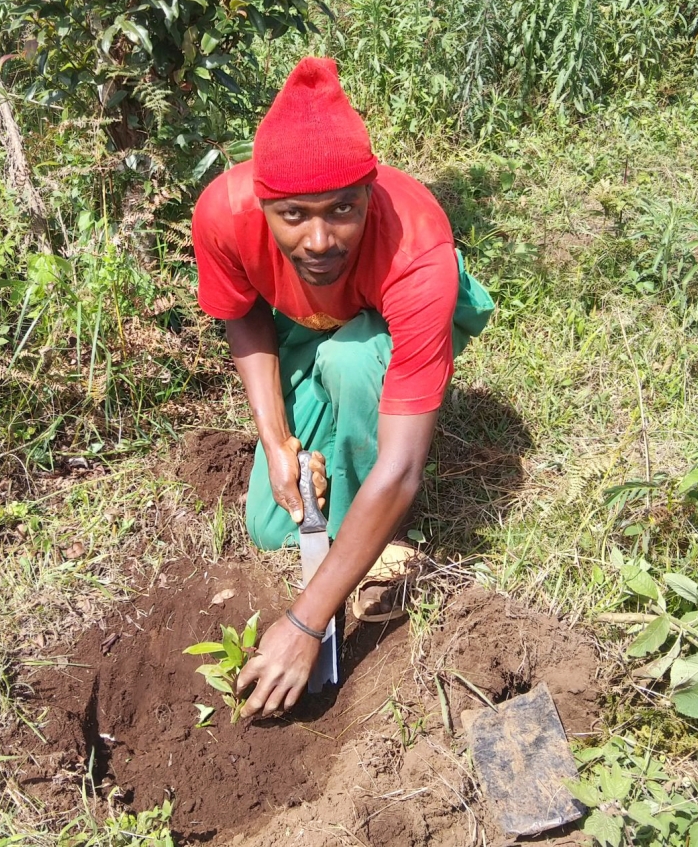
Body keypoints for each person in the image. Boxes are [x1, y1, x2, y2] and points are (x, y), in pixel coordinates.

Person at [191, 57, 493, 718]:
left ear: (369, 193)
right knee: (272, 525)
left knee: (354, 365)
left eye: (343, 210)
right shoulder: (222, 213)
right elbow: (244, 314)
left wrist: (304, 624)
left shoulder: (417, 249)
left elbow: (403, 467)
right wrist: (277, 442)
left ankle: (375, 542)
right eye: (293, 215)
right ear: (261, 204)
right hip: (306, 320)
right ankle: (341, 486)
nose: (320, 239)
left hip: (388, 322)